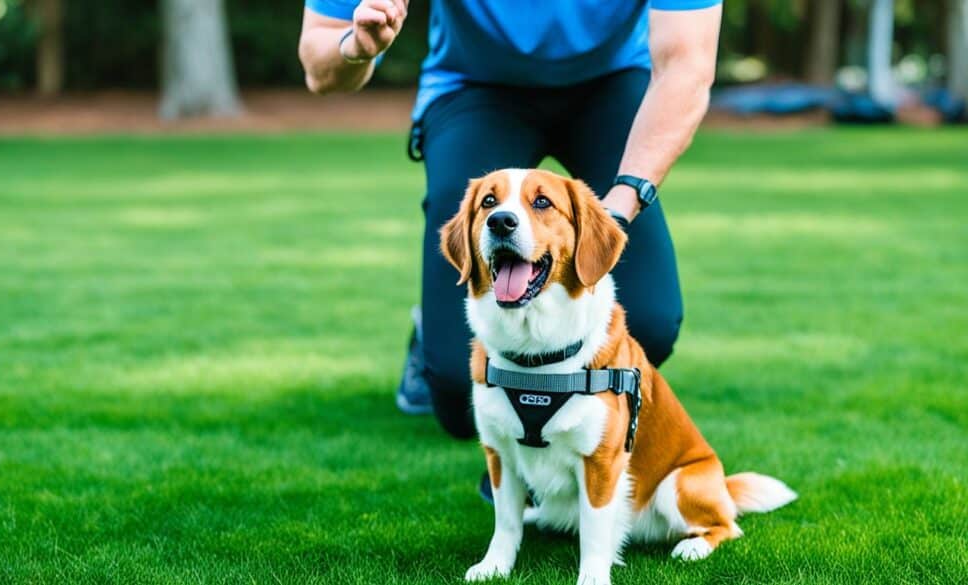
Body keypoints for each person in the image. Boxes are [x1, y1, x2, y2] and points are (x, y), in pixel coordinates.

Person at [299, 0, 722, 438]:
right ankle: (431, 330)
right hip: (475, 87)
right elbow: (319, 60)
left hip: (611, 83)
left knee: (647, 324)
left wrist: (619, 205)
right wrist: (357, 46)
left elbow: (686, 65)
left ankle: (558, 430)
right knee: (460, 392)